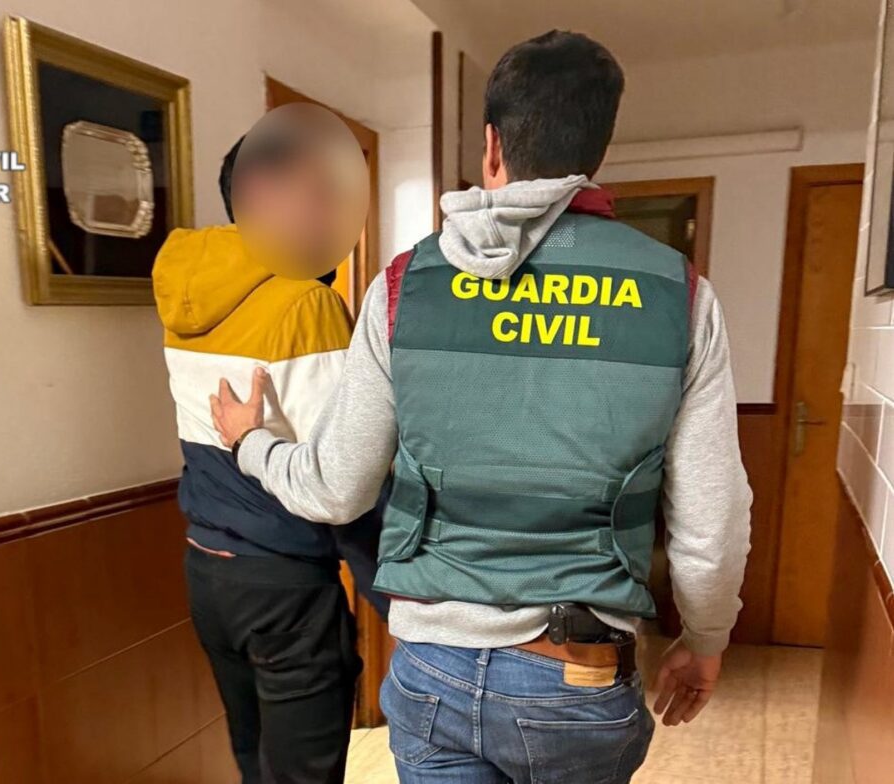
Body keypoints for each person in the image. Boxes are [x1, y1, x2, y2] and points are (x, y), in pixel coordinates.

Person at [210, 30, 752, 784]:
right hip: (577, 673)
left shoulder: (404, 286)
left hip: (433, 670)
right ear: (596, 150)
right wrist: (706, 637)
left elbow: (335, 489)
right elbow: (711, 521)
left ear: (492, 146)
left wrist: (251, 441)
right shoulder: (678, 294)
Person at [152, 136, 387, 784]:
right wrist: (399, 601)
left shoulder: (187, 293)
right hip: (285, 587)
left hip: (209, 572)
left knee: (256, 764)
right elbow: (342, 479)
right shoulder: (305, 302)